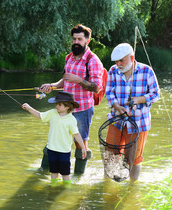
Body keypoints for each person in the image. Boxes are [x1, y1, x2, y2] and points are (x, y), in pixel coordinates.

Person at [40, 24, 104, 174]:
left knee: (80, 145)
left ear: (87, 41)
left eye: (80, 39)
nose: (76, 42)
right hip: (64, 108)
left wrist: (79, 80)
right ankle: (43, 172)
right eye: (74, 38)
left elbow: (97, 88)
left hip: (82, 110)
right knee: (54, 140)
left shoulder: (93, 60)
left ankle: (78, 176)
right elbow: (65, 80)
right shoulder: (69, 57)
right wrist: (52, 86)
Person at [105, 43, 160, 182]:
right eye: (116, 61)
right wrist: (117, 106)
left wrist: (139, 99)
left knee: (134, 159)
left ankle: (132, 187)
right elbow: (109, 92)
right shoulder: (112, 70)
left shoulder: (146, 71)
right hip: (116, 120)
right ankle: (108, 185)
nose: (118, 64)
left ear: (132, 57)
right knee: (110, 156)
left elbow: (155, 94)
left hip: (139, 122)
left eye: (121, 60)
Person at [22, 91, 86, 185]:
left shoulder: (71, 120)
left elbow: (76, 134)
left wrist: (83, 147)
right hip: (51, 149)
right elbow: (40, 115)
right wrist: (29, 108)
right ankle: (53, 187)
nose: (56, 106)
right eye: (56, 104)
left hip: (64, 151)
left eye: (59, 104)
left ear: (67, 106)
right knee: (54, 172)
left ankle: (66, 190)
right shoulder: (52, 113)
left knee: (65, 173)